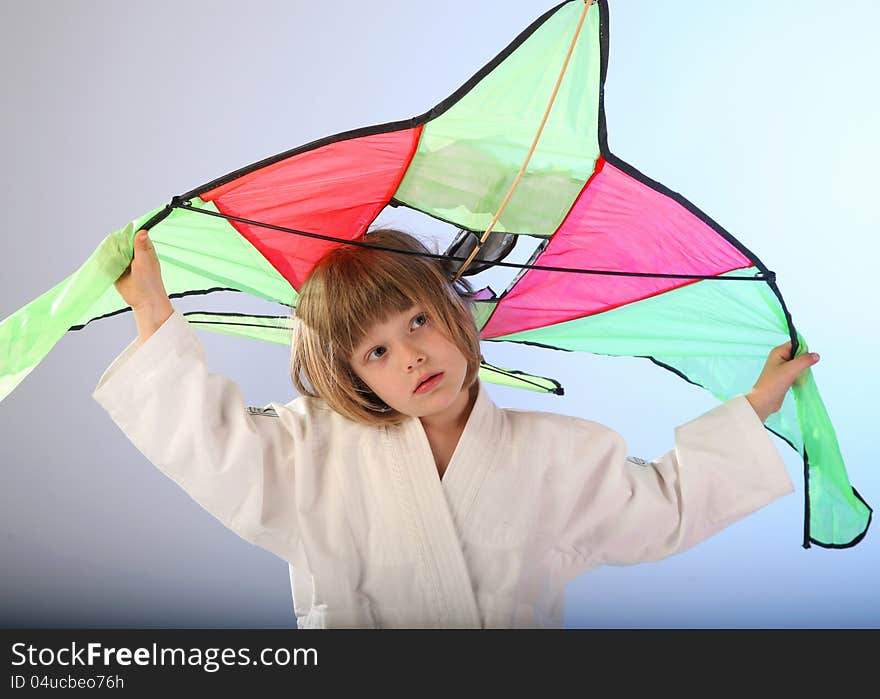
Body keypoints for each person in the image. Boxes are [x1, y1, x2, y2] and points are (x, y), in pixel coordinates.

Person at [93, 226, 817, 629]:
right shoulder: (308, 448)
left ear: (456, 310)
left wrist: (756, 404)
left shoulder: (559, 455)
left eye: (417, 320)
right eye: (377, 350)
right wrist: (153, 310)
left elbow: (668, 504)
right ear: (354, 376)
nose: (411, 355)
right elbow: (210, 443)